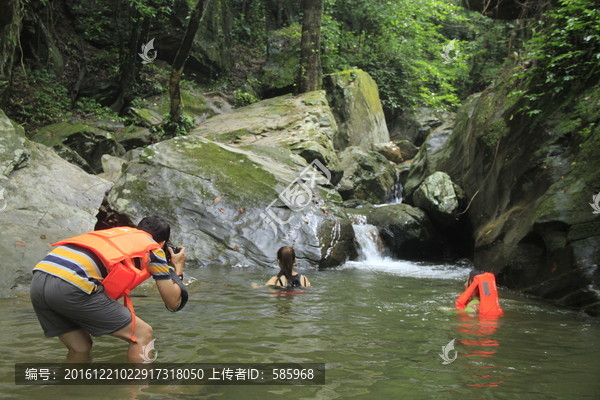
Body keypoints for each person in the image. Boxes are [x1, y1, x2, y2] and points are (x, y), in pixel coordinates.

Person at [30, 216, 187, 362]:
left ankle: (69, 390)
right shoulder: (153, 248)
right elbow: (172, 302)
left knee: (80, 347)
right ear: (162, 243)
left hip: (38, 280)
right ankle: (141, 389)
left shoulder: (115, 234)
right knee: (143, 334)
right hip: (71, 286)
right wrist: (178, 267)